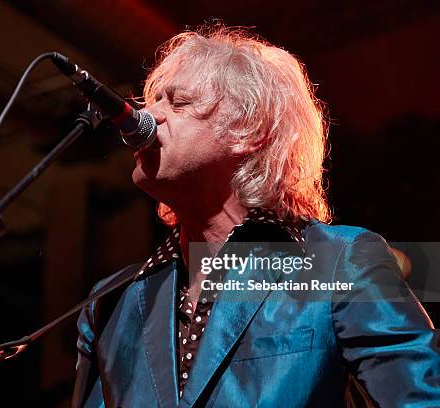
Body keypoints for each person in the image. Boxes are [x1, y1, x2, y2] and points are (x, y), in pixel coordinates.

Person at [71, 26, 440, 407]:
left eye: (178, 103)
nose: (148, 115)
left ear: (249, 131)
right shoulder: (111, 301)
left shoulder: (341, 264)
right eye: (153, 100)